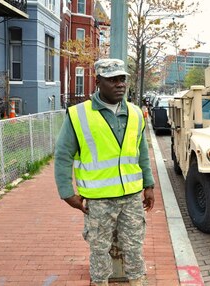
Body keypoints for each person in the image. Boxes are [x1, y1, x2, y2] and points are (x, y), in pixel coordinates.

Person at [54, 58, 155, 286]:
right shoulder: (79, 115)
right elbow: (62, 155)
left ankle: (138, 282)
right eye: (112, 80)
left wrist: (148, 186)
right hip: (99, 200)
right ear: (98, 81)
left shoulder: (136, 113)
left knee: (134, 248)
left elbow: (142, 153)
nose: (119, 84)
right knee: (99, 251)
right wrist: (66, 192)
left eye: (122, 79)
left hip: (131, 197)